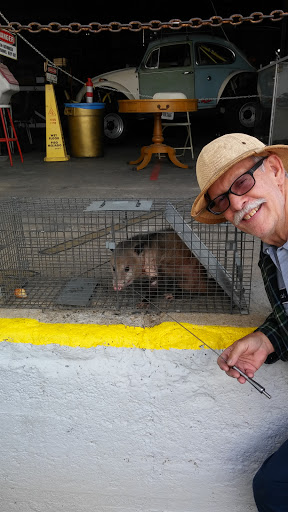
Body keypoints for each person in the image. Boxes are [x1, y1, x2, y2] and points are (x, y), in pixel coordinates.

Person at [191, 132, 288, 512]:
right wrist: (267, 339)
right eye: (222, 201)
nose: (237, 205)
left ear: (276, 169)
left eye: (242, 182)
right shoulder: (271, 253)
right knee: (272, 487)